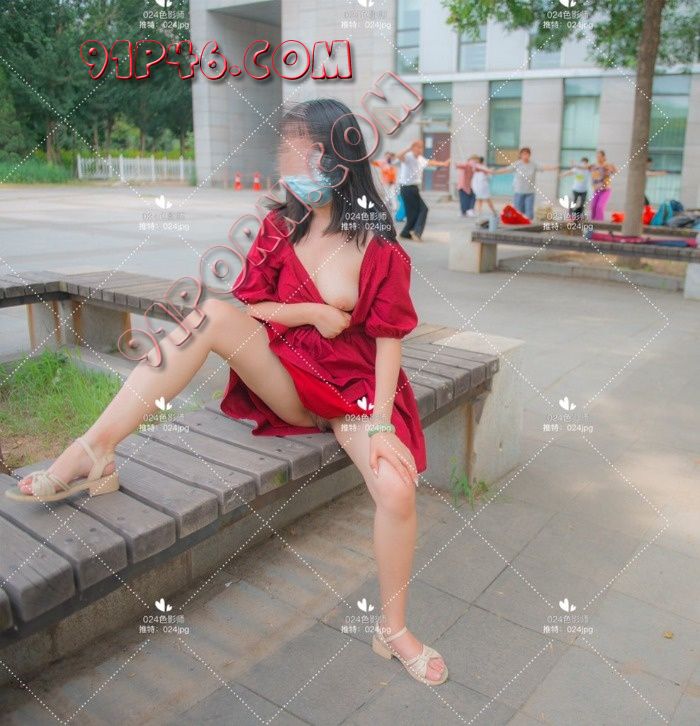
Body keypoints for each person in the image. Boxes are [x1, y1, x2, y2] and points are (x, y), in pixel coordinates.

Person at [8, 98, 448, 687]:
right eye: (287, 151)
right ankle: (95, 448)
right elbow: (252, 304)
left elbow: (389, 340)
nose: (291, 164)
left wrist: (381, 424)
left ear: (339, 159)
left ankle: (392, 628)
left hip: (355, 391)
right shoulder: (279, 227)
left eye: (304, 152)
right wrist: (313, 312)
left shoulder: (378, 246)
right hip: (288, 377)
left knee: (396, 490)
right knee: (210, 315)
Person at [396, 140, 450, 241]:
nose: (420, 149)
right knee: (423, 209)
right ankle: (416, 233)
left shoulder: (420, 159)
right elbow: (398, 156)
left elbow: (430, 162)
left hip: (413, 188)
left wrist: (443, 163)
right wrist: (408, 148)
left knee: (413, 213)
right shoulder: (408, 157)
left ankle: (405, 234)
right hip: (407, 188)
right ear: (413, 148)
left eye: (421, 147)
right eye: (418, 147)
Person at [492, 146, 559, 221]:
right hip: (519, 191)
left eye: (527, 154)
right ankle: (519, 225)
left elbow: (543, 167)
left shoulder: (533, 164)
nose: (525, 156)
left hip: (530, 192)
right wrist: (494, 172)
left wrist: (553, 167)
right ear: (520, 155)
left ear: (529, 155)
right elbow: (506, 169)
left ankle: (528, 225)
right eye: (523, 154)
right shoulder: (517, 164)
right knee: (518, 211)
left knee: (529, 213)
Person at [559, 156, 591, 221]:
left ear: (587, 163)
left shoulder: (588, 170)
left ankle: (579, 216)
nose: (583, 165)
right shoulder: (577, 169)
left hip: (584, 190)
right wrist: (562, 175)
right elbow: (569, 172)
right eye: (582, 163)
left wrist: (575, 164)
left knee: (582, 204)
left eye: (584, 163)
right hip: (576, 189)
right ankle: (570, 215)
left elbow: (588, 167)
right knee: (573, 203)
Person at [590, 149, 617, 221]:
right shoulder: (594, 166)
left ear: (603, 157)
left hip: (605, 190)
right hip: (596, 190)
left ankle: (599, 224)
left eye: (600, 156)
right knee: (593, 207)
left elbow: (614, 171)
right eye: (597, 156)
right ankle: (593, 223)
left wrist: (613, 168)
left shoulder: (607, 165)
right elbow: (588, 169)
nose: (598, 158)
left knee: (599, 207)